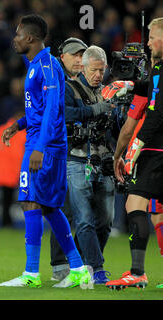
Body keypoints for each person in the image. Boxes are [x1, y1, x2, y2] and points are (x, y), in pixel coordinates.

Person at [0, 14, 90, 288]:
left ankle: (31, 274)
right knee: (49, 207)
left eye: (17, 34)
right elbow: (39, 109)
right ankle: (78, 268)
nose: (14, 39)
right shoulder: (35, 65)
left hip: (45, 145)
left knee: (30, 202)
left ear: (30, 37)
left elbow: (53, 109)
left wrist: (39, 147)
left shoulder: (48, 65)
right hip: (40, 140)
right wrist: (18, 125)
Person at [101, 17, 163, 288]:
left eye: (151, 37)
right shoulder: (159, 69)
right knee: (158, 214)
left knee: (134, 204)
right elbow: (152, 92)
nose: (147, 43)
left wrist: (133, 149)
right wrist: (127, 85)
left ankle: (137, 273)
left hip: (155, 149)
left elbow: (157, 112)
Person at [62, 45, 116, 284]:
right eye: (94, 70)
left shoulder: (107, 91)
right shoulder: (69, 88)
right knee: (83, 219)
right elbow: (64, 114)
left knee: (105, 221)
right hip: (76, 159)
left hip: (103, 160)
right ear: (83, 67)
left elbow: (113, 129)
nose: (98, 75)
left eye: (101, 71)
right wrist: (95, 109)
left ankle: (85, 266)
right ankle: (97, 268)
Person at [49, 37, 87, 281]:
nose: (79, 59)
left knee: (84, 214)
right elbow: (62, 113)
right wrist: (92, 111)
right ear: (62, 57)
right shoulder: (57, 82)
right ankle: (59, 265)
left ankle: (81, 263)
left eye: (82, 55)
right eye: (74, 54)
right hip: (63, 154)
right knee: (64, 211)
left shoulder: (84, 84)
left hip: (85, 155)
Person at [0, 111, 26, 228]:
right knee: (9, 198)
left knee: (6, 198)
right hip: (13, 170)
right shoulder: (22, 132)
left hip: (2, 170)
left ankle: (5, 221)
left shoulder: (1, 129)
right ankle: (7, 221)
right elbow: (20, 154)